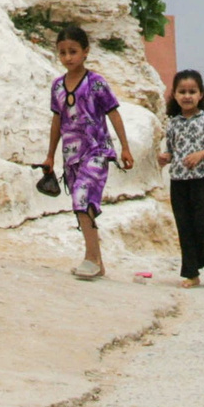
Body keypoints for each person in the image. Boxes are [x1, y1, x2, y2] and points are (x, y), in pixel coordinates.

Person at [40, 24, 134, 280]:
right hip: (71, 156)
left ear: (85, 52)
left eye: (73, 51)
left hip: (97, 151)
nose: (68, 57)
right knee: (82, 203)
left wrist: (125, 147)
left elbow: (113, 112)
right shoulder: (58, 87)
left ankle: (90, 258)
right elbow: (57, 121)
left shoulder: (96, 83)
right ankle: (97, 262)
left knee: (82, 198)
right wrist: (50, 155)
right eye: (63, 52)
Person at [158, 68, 204, 287]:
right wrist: (166, 157)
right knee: (185, 228)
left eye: (192, 91)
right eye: (182, 91)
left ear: (201, 94)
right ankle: (191, 274)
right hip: (179, 183)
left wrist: (201, 155)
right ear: (175, 94)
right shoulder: (172, 123)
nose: (187, 96)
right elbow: (172, 151)